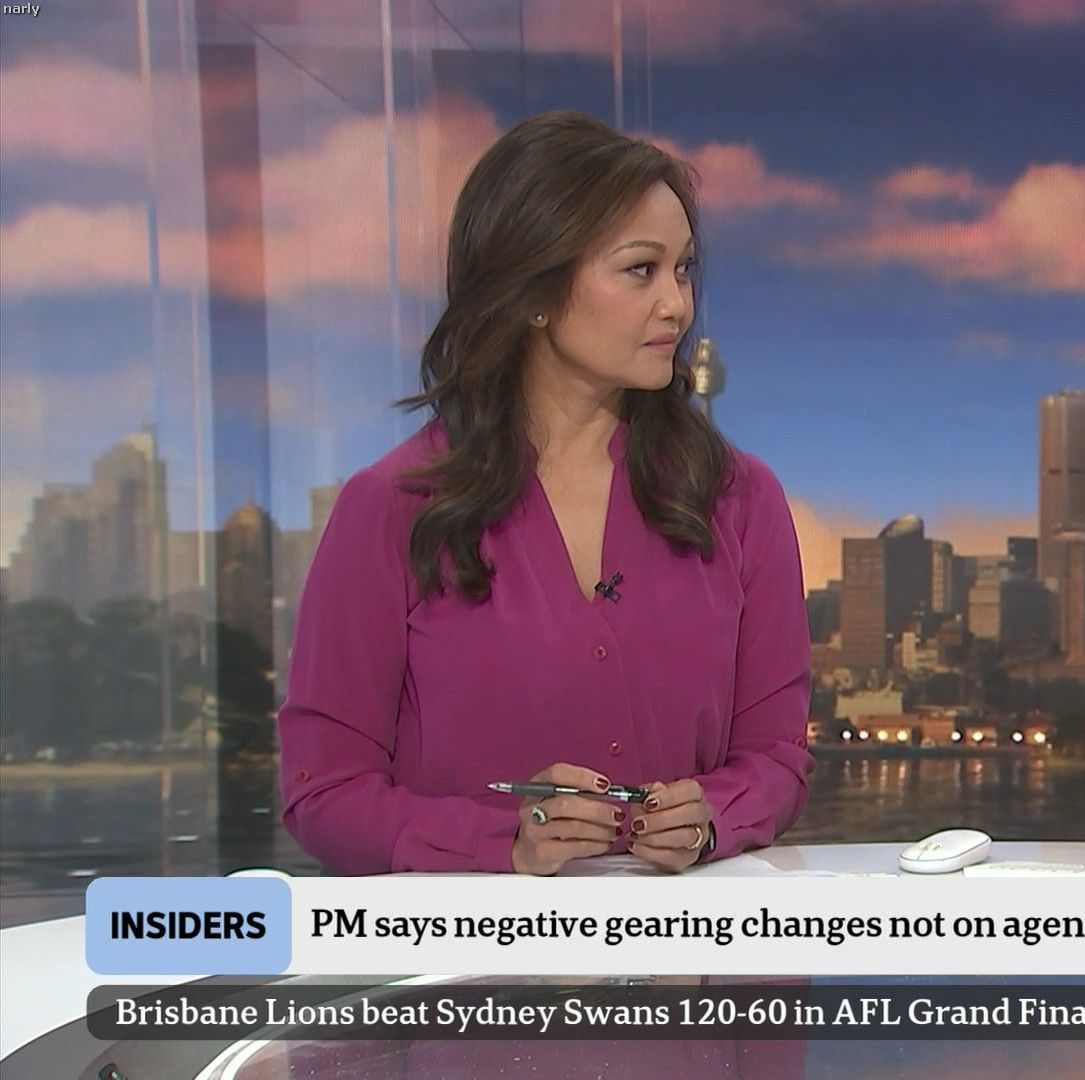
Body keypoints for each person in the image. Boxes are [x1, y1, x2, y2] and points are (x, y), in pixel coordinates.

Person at [279, 110, 812, 875]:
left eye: (684, 269)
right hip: (480, 951)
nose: (678, 305)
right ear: (535, 290)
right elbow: (324, 792)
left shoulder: (739, 500)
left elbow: (777, 759)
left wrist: (711, 817)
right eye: (641, 270)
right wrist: (502, 842)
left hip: (689, 946)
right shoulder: (393, 508)